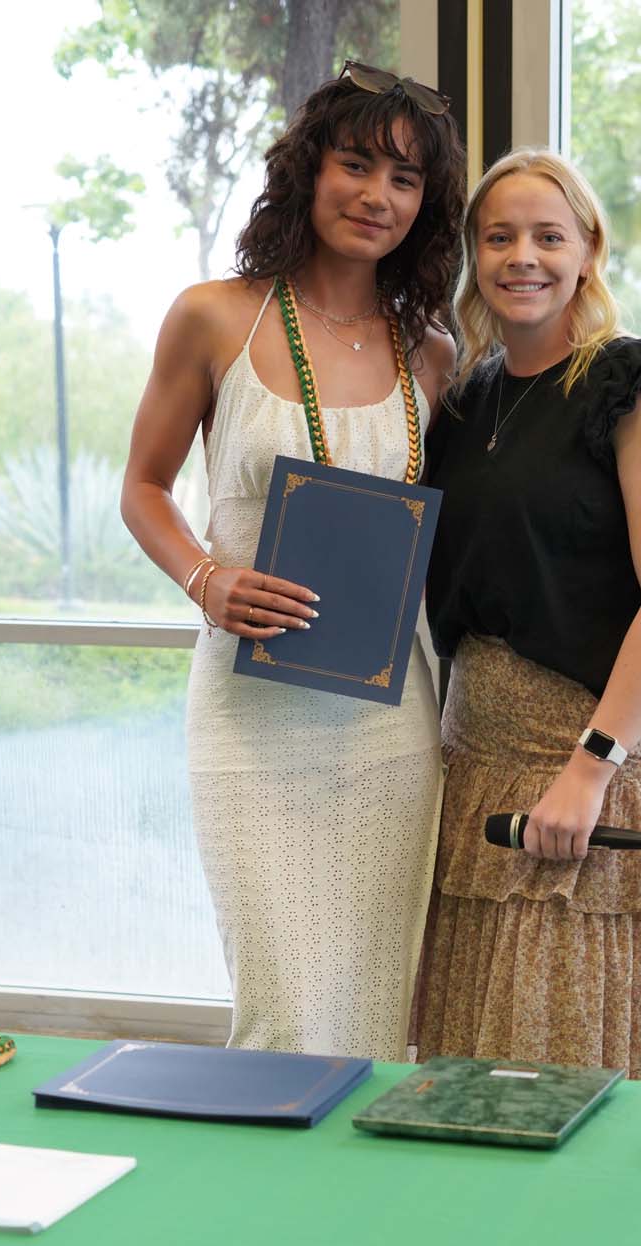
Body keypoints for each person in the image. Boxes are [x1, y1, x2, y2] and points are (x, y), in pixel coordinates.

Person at [121, 63, 465, 1059]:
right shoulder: (215, 315)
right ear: (307, 172)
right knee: (280, 1009)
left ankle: (373, 1215)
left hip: (389, 724)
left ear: (425, 207)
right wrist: (205, 577)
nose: (376, 196)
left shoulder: (430, 352)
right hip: (252, 717)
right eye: (356, 164)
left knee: (382, 1002)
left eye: (403, 180)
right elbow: (141, 487)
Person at [410, 148, 641, 1081]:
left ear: (589, 249)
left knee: (578, 1071)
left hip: (590, 771)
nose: (522, 257)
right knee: (470, 1076)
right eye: (497, 237)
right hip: (474, 779)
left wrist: (590, 769)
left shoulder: (639, 387)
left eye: (549, 235)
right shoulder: (462, 403)